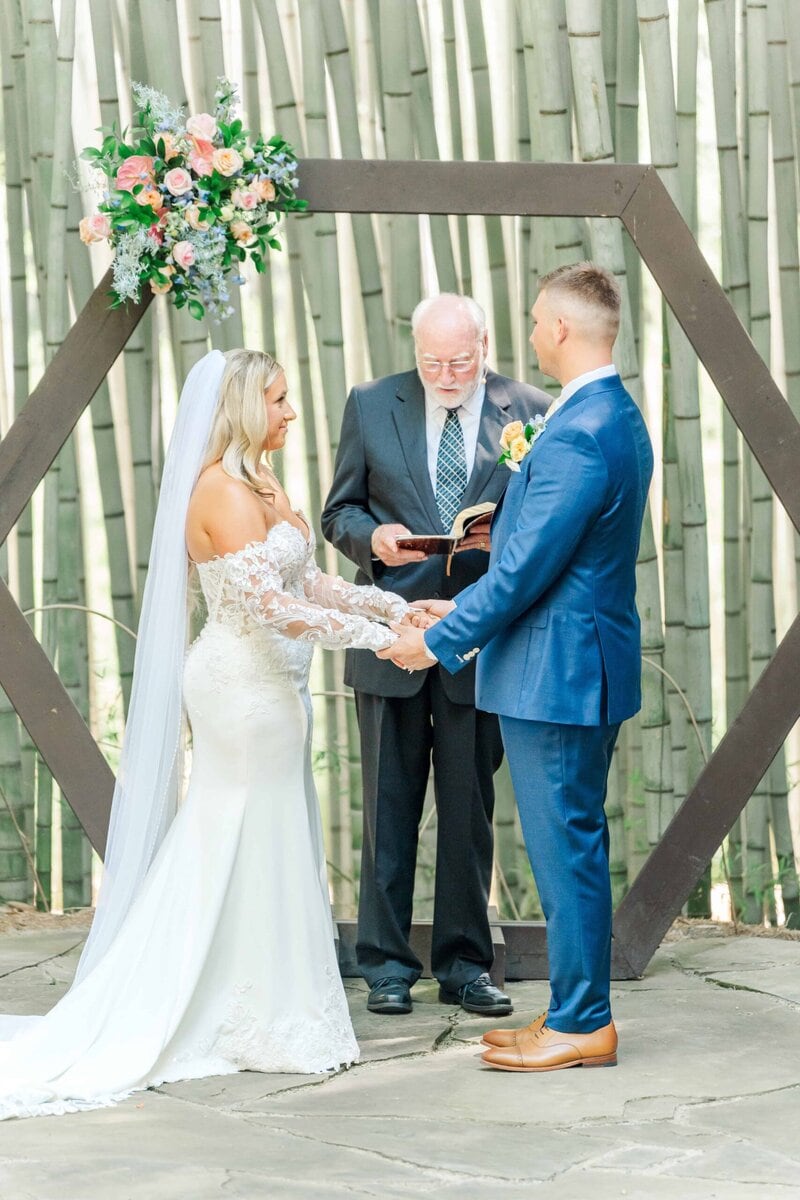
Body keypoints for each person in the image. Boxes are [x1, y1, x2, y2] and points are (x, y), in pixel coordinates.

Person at [0, 348, 420, 1120]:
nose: (293, 412)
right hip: (240, 686)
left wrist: (393, 610)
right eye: (282, 400)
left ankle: (255, 999)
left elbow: (309, 582)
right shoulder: (220, 493)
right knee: (234, 830)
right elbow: (269, 607)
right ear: (245, 405)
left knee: (263, 835)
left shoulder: (261, 479)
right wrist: (374, 642)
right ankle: (226, 1005)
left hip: (274, 686)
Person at [385, 264, 654, 1070]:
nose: (531, 331)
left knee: (565, 846)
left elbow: (524, 569)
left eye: (538, 320)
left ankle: (582, 1022)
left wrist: (433, 640)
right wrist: (452, 616)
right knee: (566, 844)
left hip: (560, 676)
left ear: (563, 331)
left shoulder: (579, 429)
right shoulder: (610, 414)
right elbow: (547, 564)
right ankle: (574, 1010)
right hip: (565, 662)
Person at [321, 295, 548, 1016]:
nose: (447, 375)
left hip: (476, 640)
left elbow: (543, 520)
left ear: (486, 342)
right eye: (431, 362)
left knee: (468, 812)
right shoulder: (369, 402)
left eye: (461, 360)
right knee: (388, 809)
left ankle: (464, 964)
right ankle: (385, 966)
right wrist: (373, 538)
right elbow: (338, 512)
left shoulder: (532, 410)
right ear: (413, 349)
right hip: (390, 634)